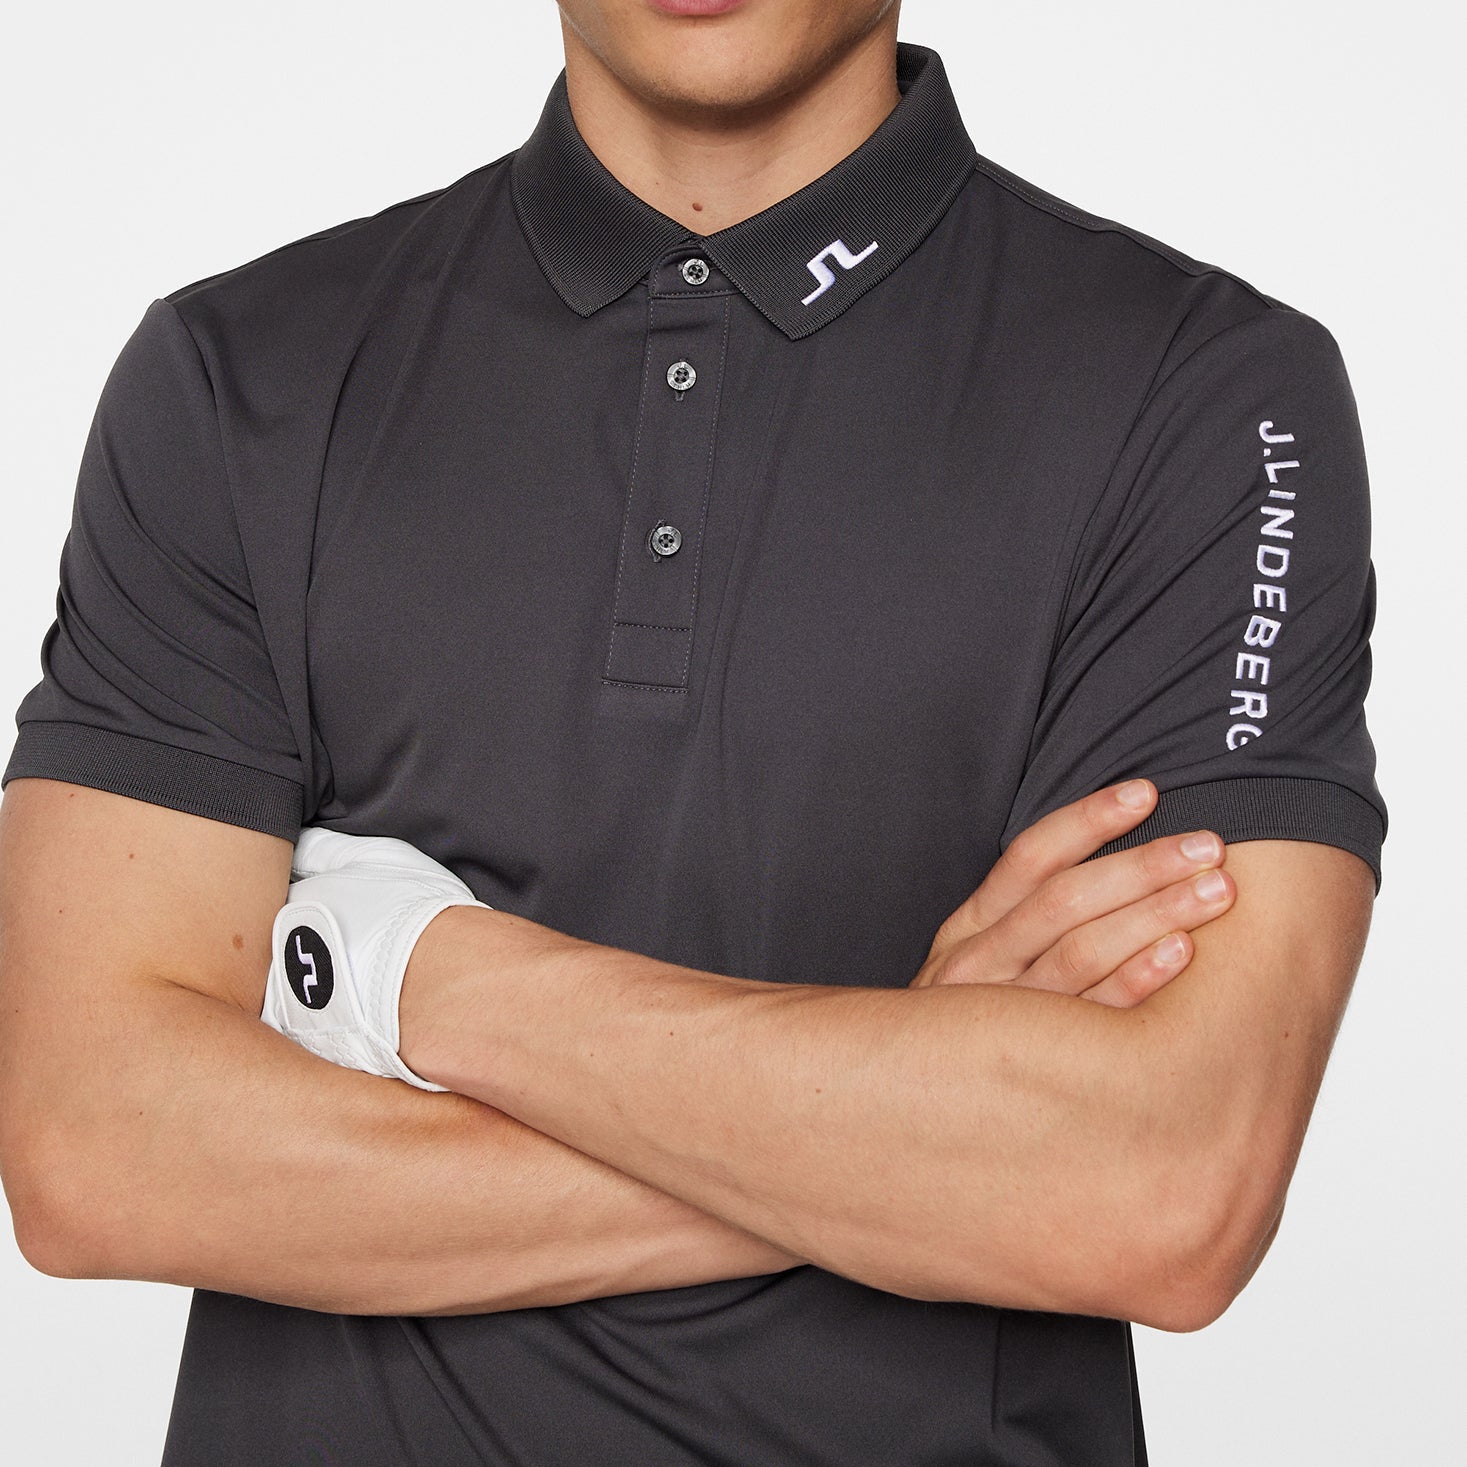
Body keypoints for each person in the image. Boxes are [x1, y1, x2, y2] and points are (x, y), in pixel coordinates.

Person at [0, 1, 1384, 1463]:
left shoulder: (1206, 393)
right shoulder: (241, 375)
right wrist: (908, 1127)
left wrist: (420, 977)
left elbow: (1163, 1195)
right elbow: (94, 1153)